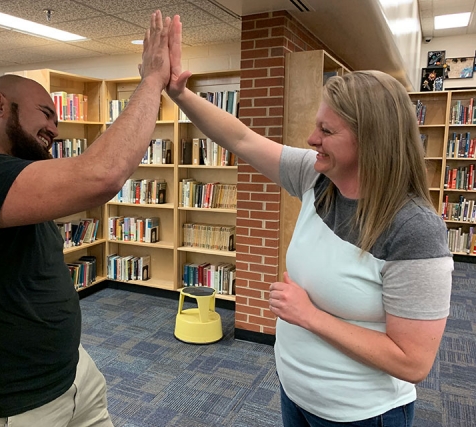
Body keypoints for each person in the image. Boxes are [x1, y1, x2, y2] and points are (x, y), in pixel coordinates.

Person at [166, 22, 453, 427]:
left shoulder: (413, 229)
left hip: (358, 414)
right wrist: (179, 94)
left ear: (372, 140)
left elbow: (413, 362)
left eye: (327, 130)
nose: (310, 138)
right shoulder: (317, 178)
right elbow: (243, 140)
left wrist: (309, 315)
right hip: (295, 391)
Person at [0, 10, 177, 426]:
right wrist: (152, 81)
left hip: (72, 379)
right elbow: (101, 176)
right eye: (46, 113)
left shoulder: (11, 179)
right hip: (6, 408)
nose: (56, 125)